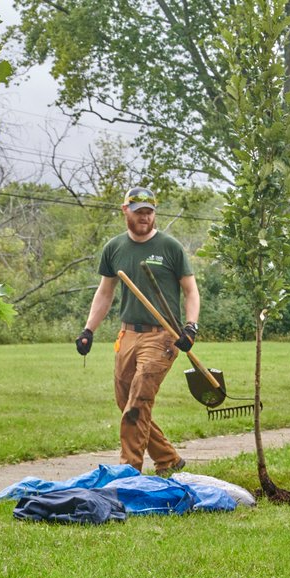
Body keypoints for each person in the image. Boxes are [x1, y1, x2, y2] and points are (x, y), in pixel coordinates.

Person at [75, 187, 201, 476]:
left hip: (163, 335)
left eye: (150, 212)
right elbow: (105, 293)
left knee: (138, 399)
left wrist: (190, 326)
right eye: (139, 211)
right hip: (127, 334)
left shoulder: (170, 247)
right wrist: (88, 329)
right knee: (125, 400)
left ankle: (128, 471)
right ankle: (169, 459)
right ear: (125, 211)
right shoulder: (115, 248)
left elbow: (191, 290)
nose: (145, 217)